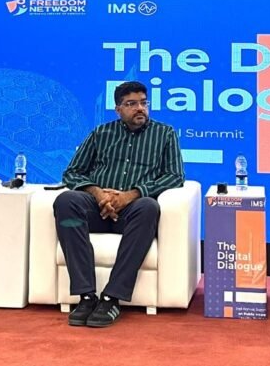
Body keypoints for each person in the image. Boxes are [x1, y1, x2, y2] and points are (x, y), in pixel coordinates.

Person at [54, 81, 184, 328]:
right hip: (97, 209)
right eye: (131, 104)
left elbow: (174, 176)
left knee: (148, 207)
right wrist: (97, 193)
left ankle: (112, 297)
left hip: (132, 214)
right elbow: (72, 172)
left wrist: (132, 194)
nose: (140, 108)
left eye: (144, 103)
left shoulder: (164, 134)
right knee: (66, 201)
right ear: (118, 109)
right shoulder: (101, 133)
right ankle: (86, 295)